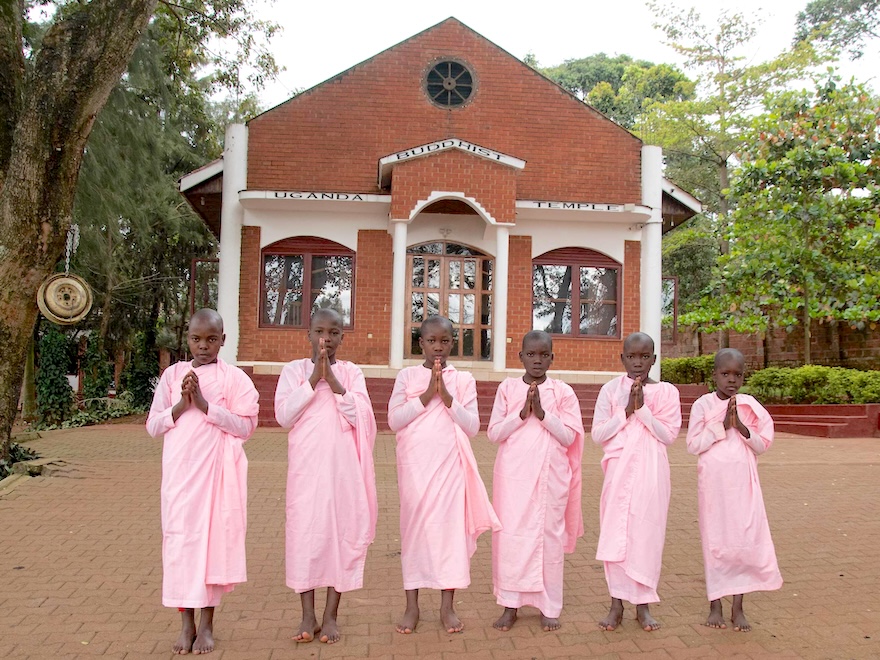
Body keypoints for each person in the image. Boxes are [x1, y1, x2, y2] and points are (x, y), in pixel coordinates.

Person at [146, 308, 260, 655]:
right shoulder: (172, 376)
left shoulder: (235, 379)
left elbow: (246, 427)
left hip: (216, 480)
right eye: (196, 339)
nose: (203, 346)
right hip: (180, 479)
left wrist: (207, 406)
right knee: (181, 547)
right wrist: (183, 404)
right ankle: (186, 625)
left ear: (222, 340)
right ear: (188, 340)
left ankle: (207, 626)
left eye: (211, 339)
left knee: (212, 548)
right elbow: (153, 426)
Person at [388, 315, 500, 635]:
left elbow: (473, 426)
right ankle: (412, 606)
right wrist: (427, 394)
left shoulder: (463, 380)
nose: (438, 347)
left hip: (450, 467)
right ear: (420, 343)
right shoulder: (407, 377)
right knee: (414, 535)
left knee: (449, 535)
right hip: (414, 468)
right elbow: (395, 421)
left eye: (444, 341)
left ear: (453, 343)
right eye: (431, 341)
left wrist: (446, 395)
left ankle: (447, 607)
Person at [274, 308, 378, 645]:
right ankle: (307, 615)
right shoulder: (293, 372)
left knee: (340, 536)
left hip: (343, 472)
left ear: (342, 338)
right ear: (308, 334)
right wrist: (311, 381)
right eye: (320, 332)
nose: (326, 339)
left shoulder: (351, 373)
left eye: (333, 333)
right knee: (305, 536)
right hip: (306, 472)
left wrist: (332, 382)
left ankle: (331, 616)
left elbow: (361, 418)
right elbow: (284, 415)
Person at [488, 331, 584, 633]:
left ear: (552, 358)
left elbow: (570, 436)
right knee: (511, 539)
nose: (537, 360)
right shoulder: (506, 388)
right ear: (521, 357)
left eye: (544, 355)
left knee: (548, 540)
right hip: (513, 479)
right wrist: (521, 414)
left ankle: (548, 606)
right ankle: (510, 604)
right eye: (531, 354)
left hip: (550, 479)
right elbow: (493, 433)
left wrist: (542, 414)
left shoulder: (563, 392)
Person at [686, 348, 783, 632]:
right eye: (725, 374)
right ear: (714, 374)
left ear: (744, 376)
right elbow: (693, 445)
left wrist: (741, 427)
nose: (731, 380)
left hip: (743, 485)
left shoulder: (750, 405)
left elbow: (763, 444)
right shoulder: (703, 405)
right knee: (716, 542)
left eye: (737, 374)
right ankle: (715, 603)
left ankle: (738, 605)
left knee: (743, 541)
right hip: (714, 485)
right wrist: (720, 426)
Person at [591, 332, 681, 632]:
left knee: (646, 536)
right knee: (616, 536)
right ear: (623, 359)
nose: (638, 363)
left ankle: (643, 607)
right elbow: (598, 434)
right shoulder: (610, 391)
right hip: (618, 473)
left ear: (654, 359)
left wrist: (642, 410)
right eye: (632, 356)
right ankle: (616, 605)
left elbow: (668, 435)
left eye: (645, 357)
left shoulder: (668, 393)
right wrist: (626, 411)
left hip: (651, 473)